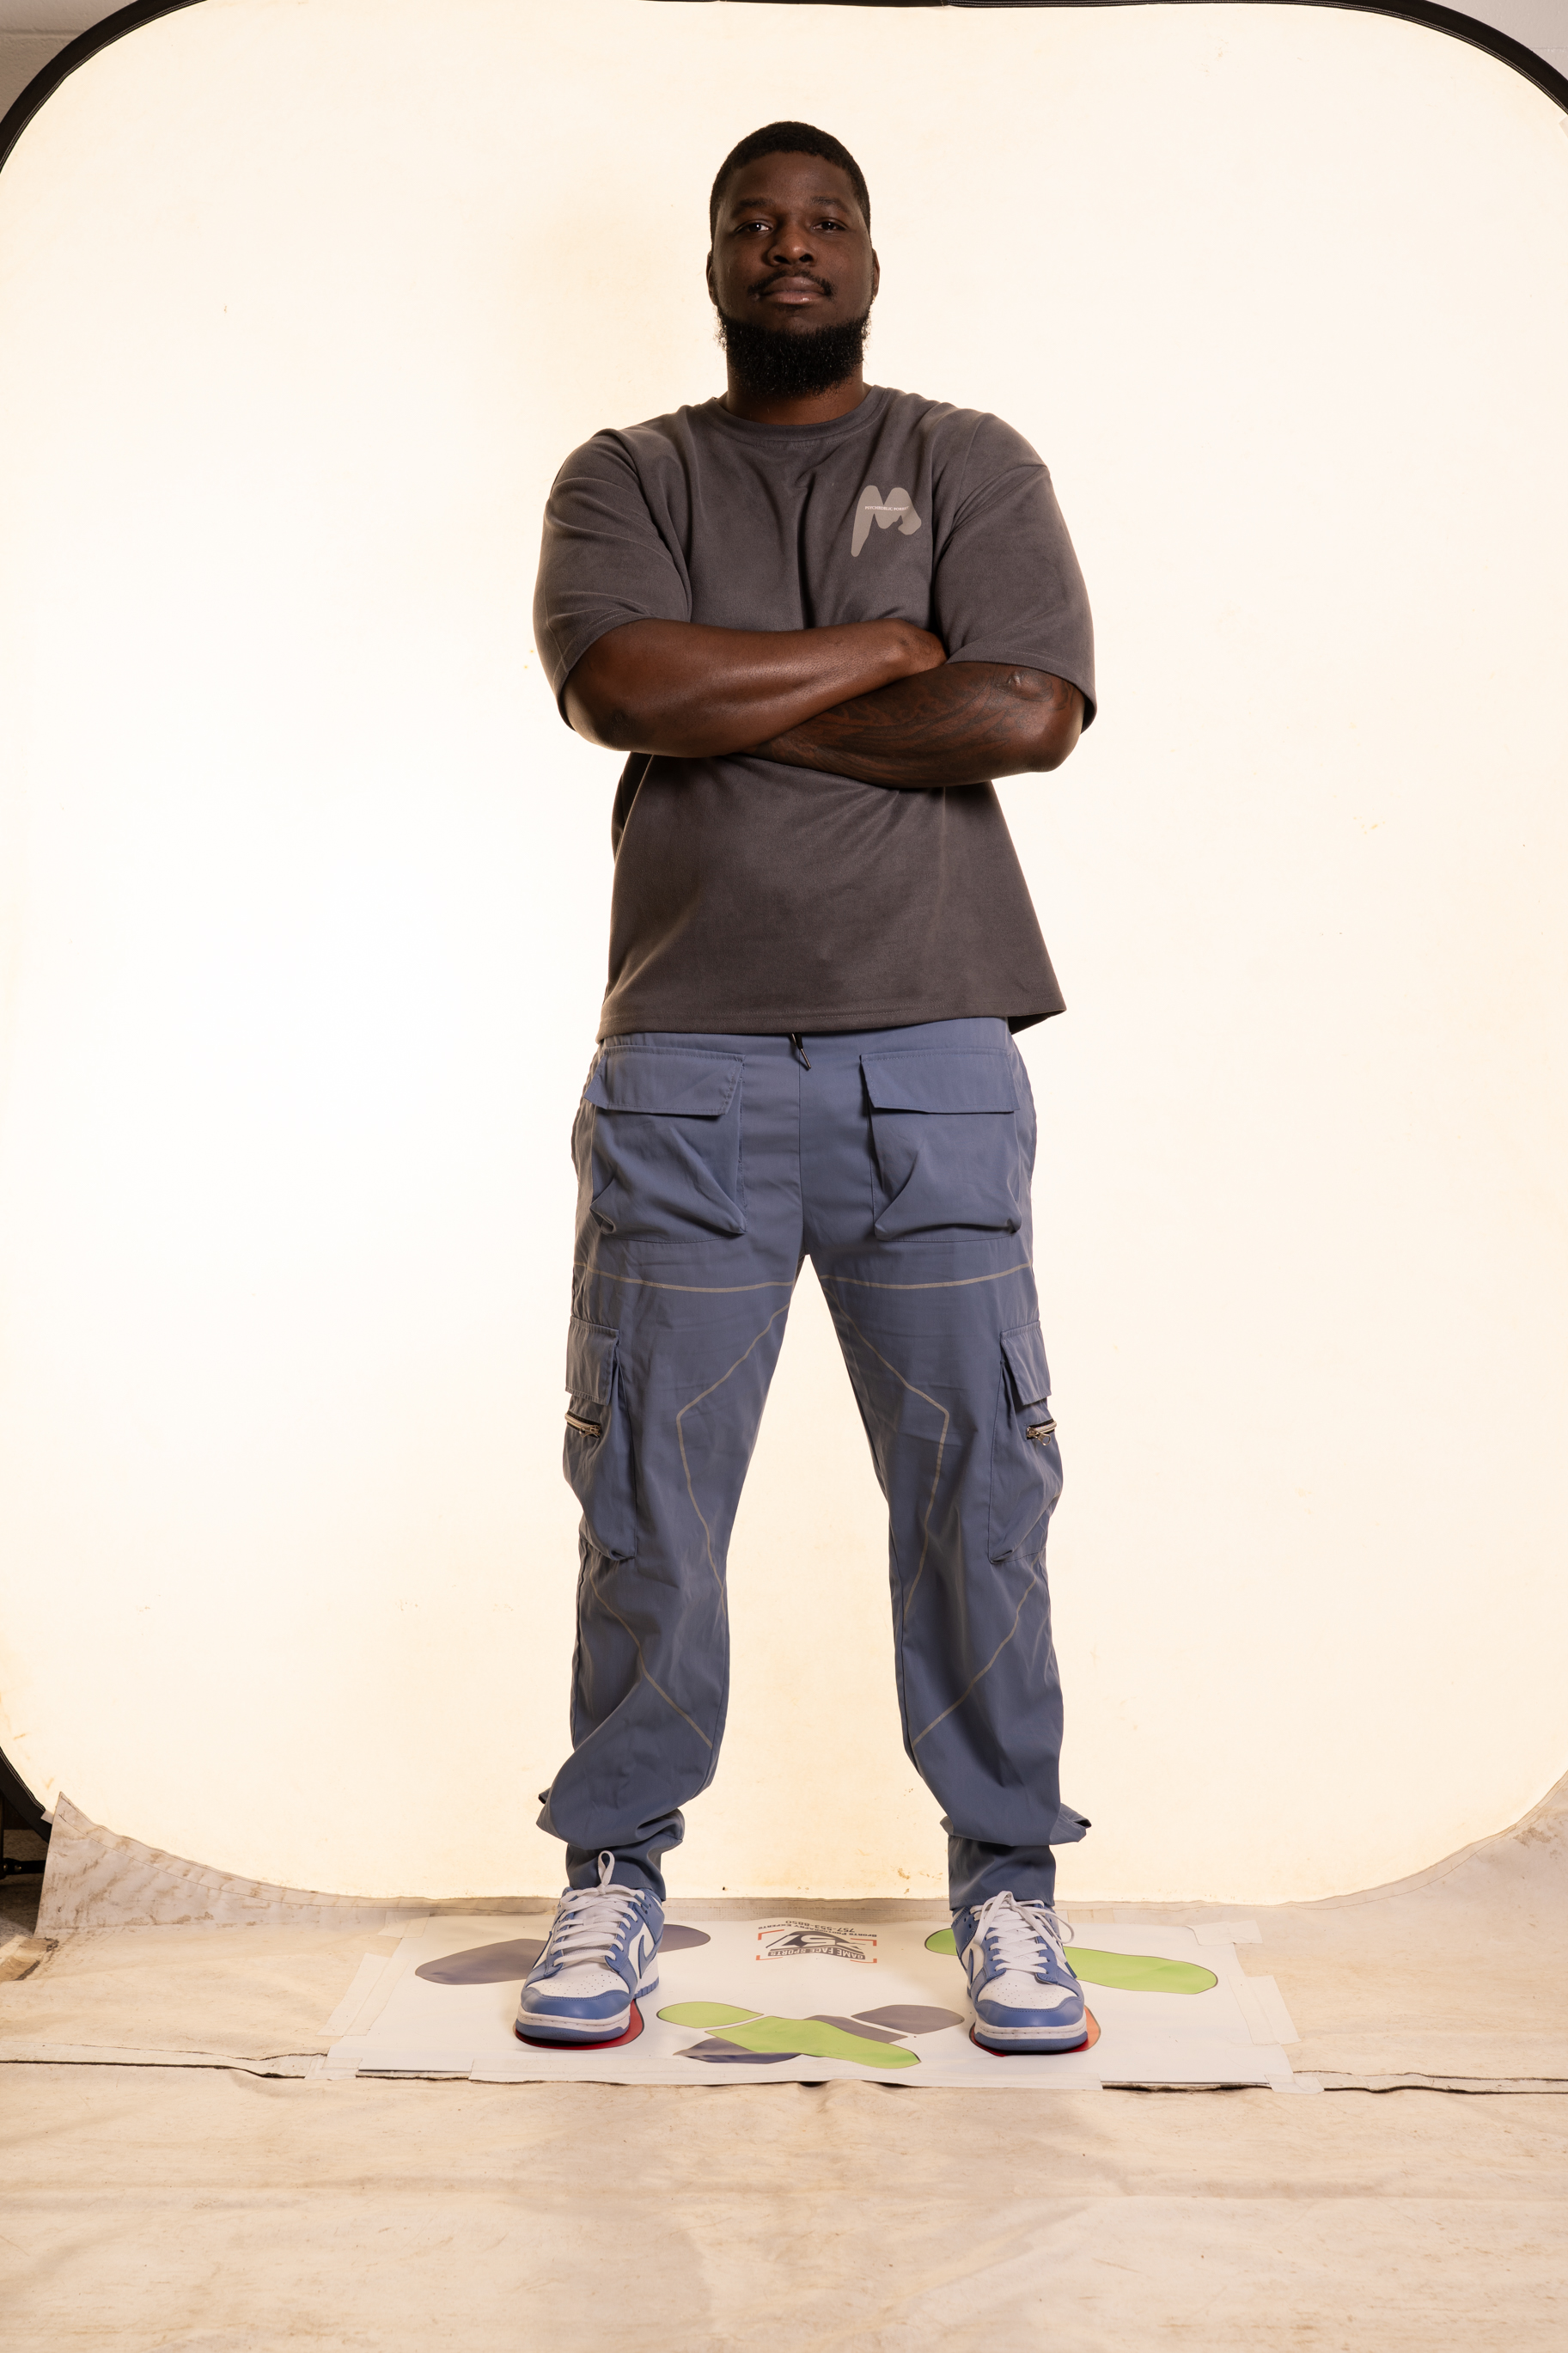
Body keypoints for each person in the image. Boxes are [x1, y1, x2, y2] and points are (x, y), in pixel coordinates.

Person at [517, 122, 1095, 2056]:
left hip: (931, 1053)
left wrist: (739, 699)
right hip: (682, 1055)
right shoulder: (628, 473)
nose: (791, 245)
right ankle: (614, 1871)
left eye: (824, 220)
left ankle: (1007, 1887)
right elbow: (620, 689)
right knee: (647, 1492)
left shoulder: (966, 459)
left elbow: (1025, 710)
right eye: (754, 222)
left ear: (869, 257)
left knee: (977, 1486)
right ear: (711, 260)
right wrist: (874, 654)